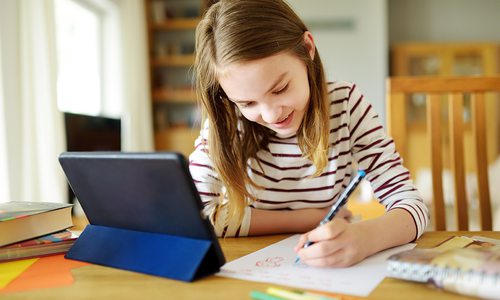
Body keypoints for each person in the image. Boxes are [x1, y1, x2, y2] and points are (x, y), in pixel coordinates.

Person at [189, 0, 428, 268]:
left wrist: (364, 238)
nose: (270, 115)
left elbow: (412, 206)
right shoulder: (227, 121)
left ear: (308, 48)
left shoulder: (346, 105)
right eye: (247, 103)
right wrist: (311, 217)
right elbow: (199, 217)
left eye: (279, 89)